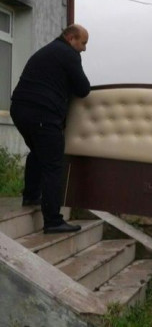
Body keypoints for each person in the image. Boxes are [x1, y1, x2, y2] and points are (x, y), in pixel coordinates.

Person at [10, 24, 91, 234]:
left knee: (38, 152)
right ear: (72, 38)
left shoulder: (47, 51)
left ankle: (30, 195)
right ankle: (53, 220)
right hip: (42, 114)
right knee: (54, 164)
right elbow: (83, 89)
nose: (84, 48)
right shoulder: (68, 54)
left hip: (19, 110)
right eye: (83, 43)